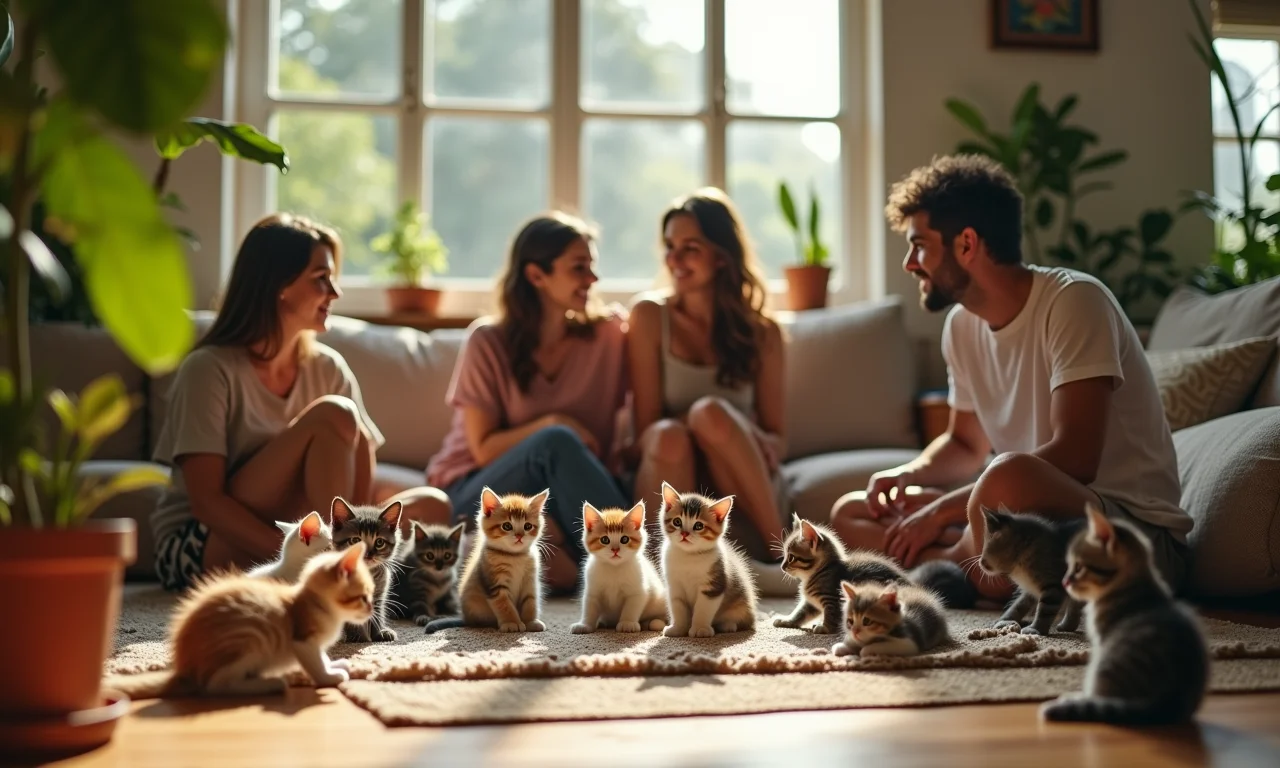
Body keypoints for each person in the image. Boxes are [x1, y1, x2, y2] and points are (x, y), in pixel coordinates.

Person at [829, 154, 1191, 599]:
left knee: (1006, 475)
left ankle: (949, 567)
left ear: (966, 244)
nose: (910, 263)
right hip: (1022, 519)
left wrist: (944, 512)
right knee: (851, 513)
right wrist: (908, 475)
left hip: (1127, 536)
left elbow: (1076, 458)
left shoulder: (1074, 301)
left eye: (919, 245)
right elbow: (965, 445)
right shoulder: (961, 325)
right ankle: (957, 567)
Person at [151, 213, 451, 592]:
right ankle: (343, 576)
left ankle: (359, 576)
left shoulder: (327, 367)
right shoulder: (209, 369)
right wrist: (299, 557)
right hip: (205, 540)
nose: (335, 292)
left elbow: (357, 498)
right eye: (320, 279)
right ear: (279, 286)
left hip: (309, 536)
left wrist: (341, 547)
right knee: (336, 414)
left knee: (433, 505)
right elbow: (208, 503)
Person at [424, 211, 632, 592]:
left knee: (563, 549)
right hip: (478, 490)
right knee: (554, 443)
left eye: (593, 266)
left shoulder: (608, 336)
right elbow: (483, 449)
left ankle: (578, 566)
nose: (593, 279)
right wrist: (553, 423)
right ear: (537, 275)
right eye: (579, 268)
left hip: (561, 496)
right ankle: (638, 574)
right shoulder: (488, 341)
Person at [624, 187, 787, 570]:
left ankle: (783, 554)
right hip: (671, 471)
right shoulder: (649, 316)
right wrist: (700, 421)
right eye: (669, 246)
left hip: (736, 489)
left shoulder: (763, 332)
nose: (674, 259)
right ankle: (666, 570)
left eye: (690, 248)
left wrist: (730, 428)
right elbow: (644, 431)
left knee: (711, 414)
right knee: (675, 431)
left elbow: (779, 441)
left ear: (721, 257)